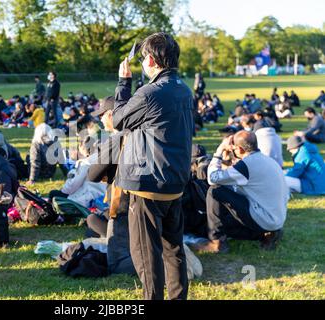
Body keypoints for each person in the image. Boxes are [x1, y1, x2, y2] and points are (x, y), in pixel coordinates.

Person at [112, 33, 192, 300]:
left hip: (148, 186)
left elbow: (118, 120)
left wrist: (124, 83)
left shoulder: (149, 93)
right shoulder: (183, 88)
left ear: (150, 59)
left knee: (147, 255)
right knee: (174, 250)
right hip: (174, 181)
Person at [194, 131, 289, 254]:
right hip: (275, 219)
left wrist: (219, 152)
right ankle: (266, 234)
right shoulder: (266, 160)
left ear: (239, 149)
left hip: (264, 218)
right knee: (227, 214)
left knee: (215, 190)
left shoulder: (247, 165)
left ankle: (216, 241)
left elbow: (212, 178)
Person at [87, 96, 135, 276]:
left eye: (102, 115)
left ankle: (162, 266)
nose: (100, 119)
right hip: (142, 199)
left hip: (122, 201)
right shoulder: (138, 132)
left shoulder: (117, 138)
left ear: (112, 114)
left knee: (116, 262)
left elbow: (93, 174)